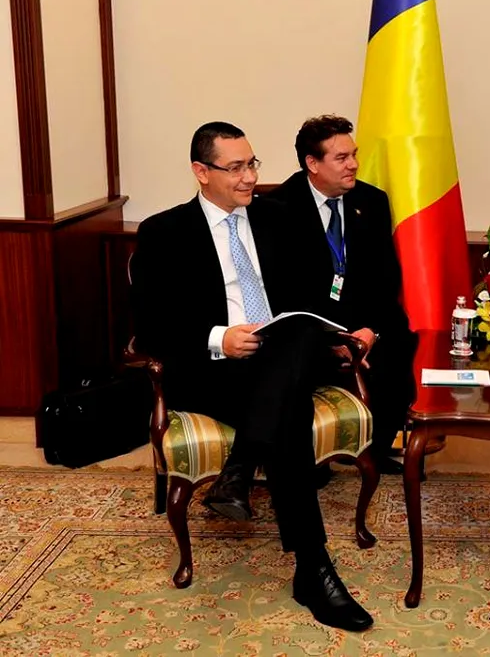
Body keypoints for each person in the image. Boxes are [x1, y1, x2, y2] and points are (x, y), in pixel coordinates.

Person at [131, 121, 373, 632]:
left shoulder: (277, 218)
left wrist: (339, 328)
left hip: (278, 358)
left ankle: (242, 472)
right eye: (236, 167)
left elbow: (310, 296)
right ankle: (313, 570)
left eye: (252, 164)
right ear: (202, 172)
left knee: (296, 342)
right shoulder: (163, 232)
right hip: (212, 371)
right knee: (289, 412)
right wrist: (220, 338)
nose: (249, 177)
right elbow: (152, 326)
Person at [269, 115, 417, 475]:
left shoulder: (372, 201)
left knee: (400, 337)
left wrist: (370, 331)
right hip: (310, 324)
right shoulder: (278, 207)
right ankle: (312, 458)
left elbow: (386, 277)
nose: (353, 164)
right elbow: (281, 289)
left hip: (362, 318)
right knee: (296, 352)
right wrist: (330, 339)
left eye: (354, 154)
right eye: (341, 158)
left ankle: (376, 449)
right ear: (312, 163)